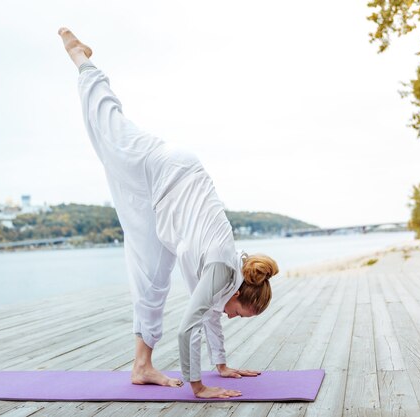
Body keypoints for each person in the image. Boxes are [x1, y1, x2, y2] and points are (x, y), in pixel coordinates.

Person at [58, 27, 279, 399]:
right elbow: (189, 326)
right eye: (239, 313)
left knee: (152, 277)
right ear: (241, 293)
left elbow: (209, 314)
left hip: (163, 208)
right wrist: (199, 387)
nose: (231, 317)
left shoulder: (225, 280)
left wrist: (221, 365)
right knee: (109, 133)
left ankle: (141, 365)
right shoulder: (223, 268)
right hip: (167, 170)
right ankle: (84, 61)